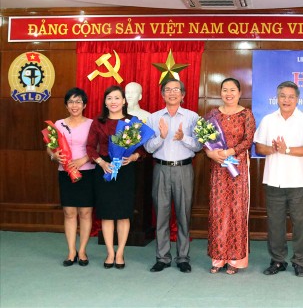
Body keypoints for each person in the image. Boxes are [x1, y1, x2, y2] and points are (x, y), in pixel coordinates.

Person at [254, 81, 303, 277]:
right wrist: (272, 149)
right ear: (277, 98)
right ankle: (277, 260)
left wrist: (286, 149)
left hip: (299, 181)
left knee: (301, 224)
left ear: (297, 99)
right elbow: (258, 147)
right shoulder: (268, 120)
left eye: (291, 96)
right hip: (274, 180)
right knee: (275, 223)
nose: (286, 100)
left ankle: (299, 261)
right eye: (283, 96)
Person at [145, 78, 202, 274]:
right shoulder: (153, 118)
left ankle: (183, 258)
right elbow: (147, 147)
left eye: (176, 90)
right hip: (161, 169)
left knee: (184, 214)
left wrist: (182, 137)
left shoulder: (192, 117)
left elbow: (199, 145)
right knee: (161, 214)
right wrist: (161, 137)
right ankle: (162, 257)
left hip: (183, 169)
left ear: (183, 95)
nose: (171, 93)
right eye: (167, 90)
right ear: (162, 94)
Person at [86, 85, 145, 270]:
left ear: (124, 101)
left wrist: (135, 156)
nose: (113, 102)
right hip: (105, 169)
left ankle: (120, 253)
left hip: (126, 169)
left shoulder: (133, 121)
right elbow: (89, 147)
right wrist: (102, 163)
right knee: (107, 213)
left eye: (117, 98)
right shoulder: (98, 122)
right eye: (110, 98)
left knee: (123, 213)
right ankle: (110, 252)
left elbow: (142, 148)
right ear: (105, 101)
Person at [204, 77, 256, 275]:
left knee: (236, 210)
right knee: (218, 210)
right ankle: (218, 258)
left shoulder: (246, 115)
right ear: (220, 93)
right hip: (218, 168)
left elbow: (248, 140)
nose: (229, 93)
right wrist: (211, 153)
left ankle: (235, 259)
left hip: (237, 168)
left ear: (239, 93)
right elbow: (205, 139)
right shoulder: (213, 115)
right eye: (225, 90)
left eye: (232, 90)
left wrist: (230, 151)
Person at [47, 87, 95, 267]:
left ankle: (82, 250)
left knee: (85, 212)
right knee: (69, 212)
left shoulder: (92, 123)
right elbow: (50, 146)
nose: (74, 105)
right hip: (65, 171)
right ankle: (71, 251)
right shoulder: (58, 124)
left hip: (87, 171)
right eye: (71, 102)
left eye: (78, 102)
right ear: (66, 105)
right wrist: (54, 155)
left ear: (84, 105)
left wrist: (83, 160)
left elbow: (97, 148)